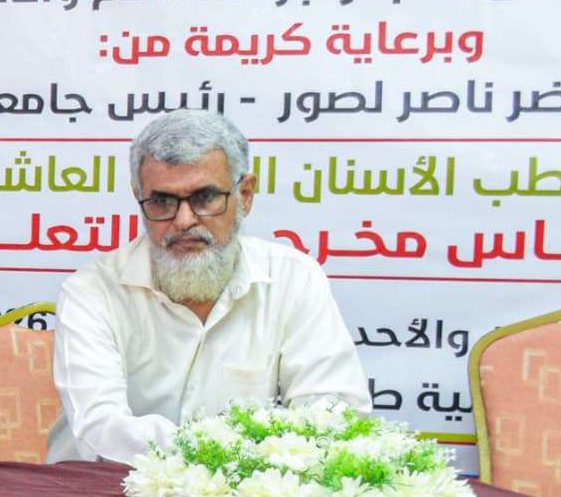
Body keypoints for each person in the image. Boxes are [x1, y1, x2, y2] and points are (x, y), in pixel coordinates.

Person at [49, 109, 371, 462]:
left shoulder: (294, 278)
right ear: (139, 197)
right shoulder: (92, 291)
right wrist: (236, 449)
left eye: (204, 198)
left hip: (245, 491)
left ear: (245, 195)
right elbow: (101, 431)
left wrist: (228, 462)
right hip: (100, 488)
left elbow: (337, 413)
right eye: (162, 201)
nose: (184, 220)